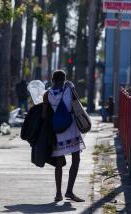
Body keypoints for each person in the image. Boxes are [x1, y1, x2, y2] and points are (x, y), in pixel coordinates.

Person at [45, 70, 86, 202]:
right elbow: (77, 103)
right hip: (71, 128)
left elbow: (44, 115)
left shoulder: (47, 94)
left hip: (57, 130)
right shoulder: (69, 89)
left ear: (52, 80)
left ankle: (58, 194)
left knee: (58, 162)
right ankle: (69, 191)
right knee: (76, 159)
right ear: (64, 80)